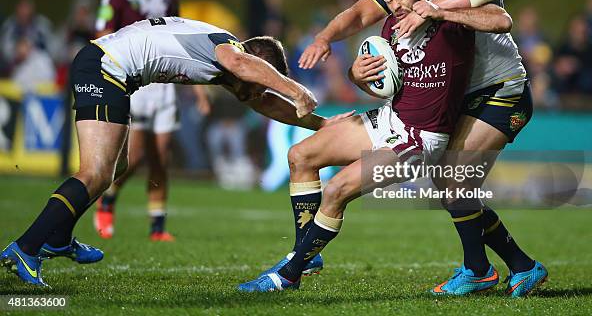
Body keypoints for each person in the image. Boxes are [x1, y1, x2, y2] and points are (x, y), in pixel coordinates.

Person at [0, 16, 353, 287]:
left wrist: (323, 125)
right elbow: (247, 70)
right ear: (253, 63)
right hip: (105, 69)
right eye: (261, 84)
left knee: (113, 167)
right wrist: (297, 90)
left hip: (108, 68)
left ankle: (58, 238)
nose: (258, 93)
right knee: (95, 172)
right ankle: (26, 248)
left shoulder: (224, 61)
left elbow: (262, 103)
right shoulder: (229, 51)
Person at [296, 0, 546, 297]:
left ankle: (480, 270)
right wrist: (325, 38)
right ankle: (518, 266)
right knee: (451, 182)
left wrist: (434, 10)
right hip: (463, 96)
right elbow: (360, 13)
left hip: (502, 91)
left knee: (453, 178)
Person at [238, 0, 512, 293]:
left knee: (337, 190)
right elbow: (385, 86)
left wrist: (441, 12)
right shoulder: (392, 28)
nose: (395, 5)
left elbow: (501, 20)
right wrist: (357, 76)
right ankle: (308, 255)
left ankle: (288, 274)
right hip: (388, 119)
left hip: (419, 140)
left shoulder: (451, 25)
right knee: (300, 155)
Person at [93, 0, 198, 241]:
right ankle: (107, 199)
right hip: (136, 84)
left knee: (161, 159)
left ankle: (157, 228)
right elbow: (102, 34)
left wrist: (199, 87)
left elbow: (183, 37)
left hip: (164, 85)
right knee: (134, 157)